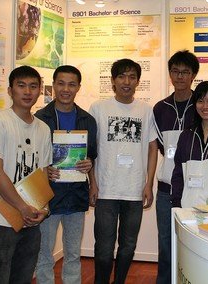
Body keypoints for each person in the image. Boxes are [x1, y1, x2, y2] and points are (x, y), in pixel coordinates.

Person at [89, 58, 158, 284]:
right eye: (121, 76)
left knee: (128, 246)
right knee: (104, 248)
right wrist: (93, 182)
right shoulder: (98, 108)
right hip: (106, 190)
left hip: (134, 191)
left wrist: (148, 184)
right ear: (113, 81)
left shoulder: (146, 110)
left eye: (132, 77)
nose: (127, 81)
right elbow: (90, 149)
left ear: (138, 81)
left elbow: (151, 148)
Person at [0, 65, 52, 283]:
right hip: (1, 219)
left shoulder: (43, 128)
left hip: (31, 218)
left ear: (39, 91)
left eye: (33, 86)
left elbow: (42, 174)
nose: (27, 91)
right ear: (10, 90)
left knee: (22, 276)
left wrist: (44, 209)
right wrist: (22, 207)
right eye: (21, 86)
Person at [34, 65, 97, 284]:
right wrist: (44, 170)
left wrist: (92, 181)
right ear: (53, 84)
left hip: (77, 194)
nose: (66, 89)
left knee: (72, 254)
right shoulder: (40, 118)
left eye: (71, 84)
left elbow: (92, 157)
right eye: (61, 83)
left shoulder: (87, 120)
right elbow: (33, 159)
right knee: (44, 254)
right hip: (47, 195)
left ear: (78, 87)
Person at [153, 50, 199, 284]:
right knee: (165, 242)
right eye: (175, 71)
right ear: (170, 74)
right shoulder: (160, 108)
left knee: (195, 241)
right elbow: (160, 147)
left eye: (185, 72)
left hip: (195, 187)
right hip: (166, 188)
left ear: (193, 76)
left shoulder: (201, 105)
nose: (180, 76)